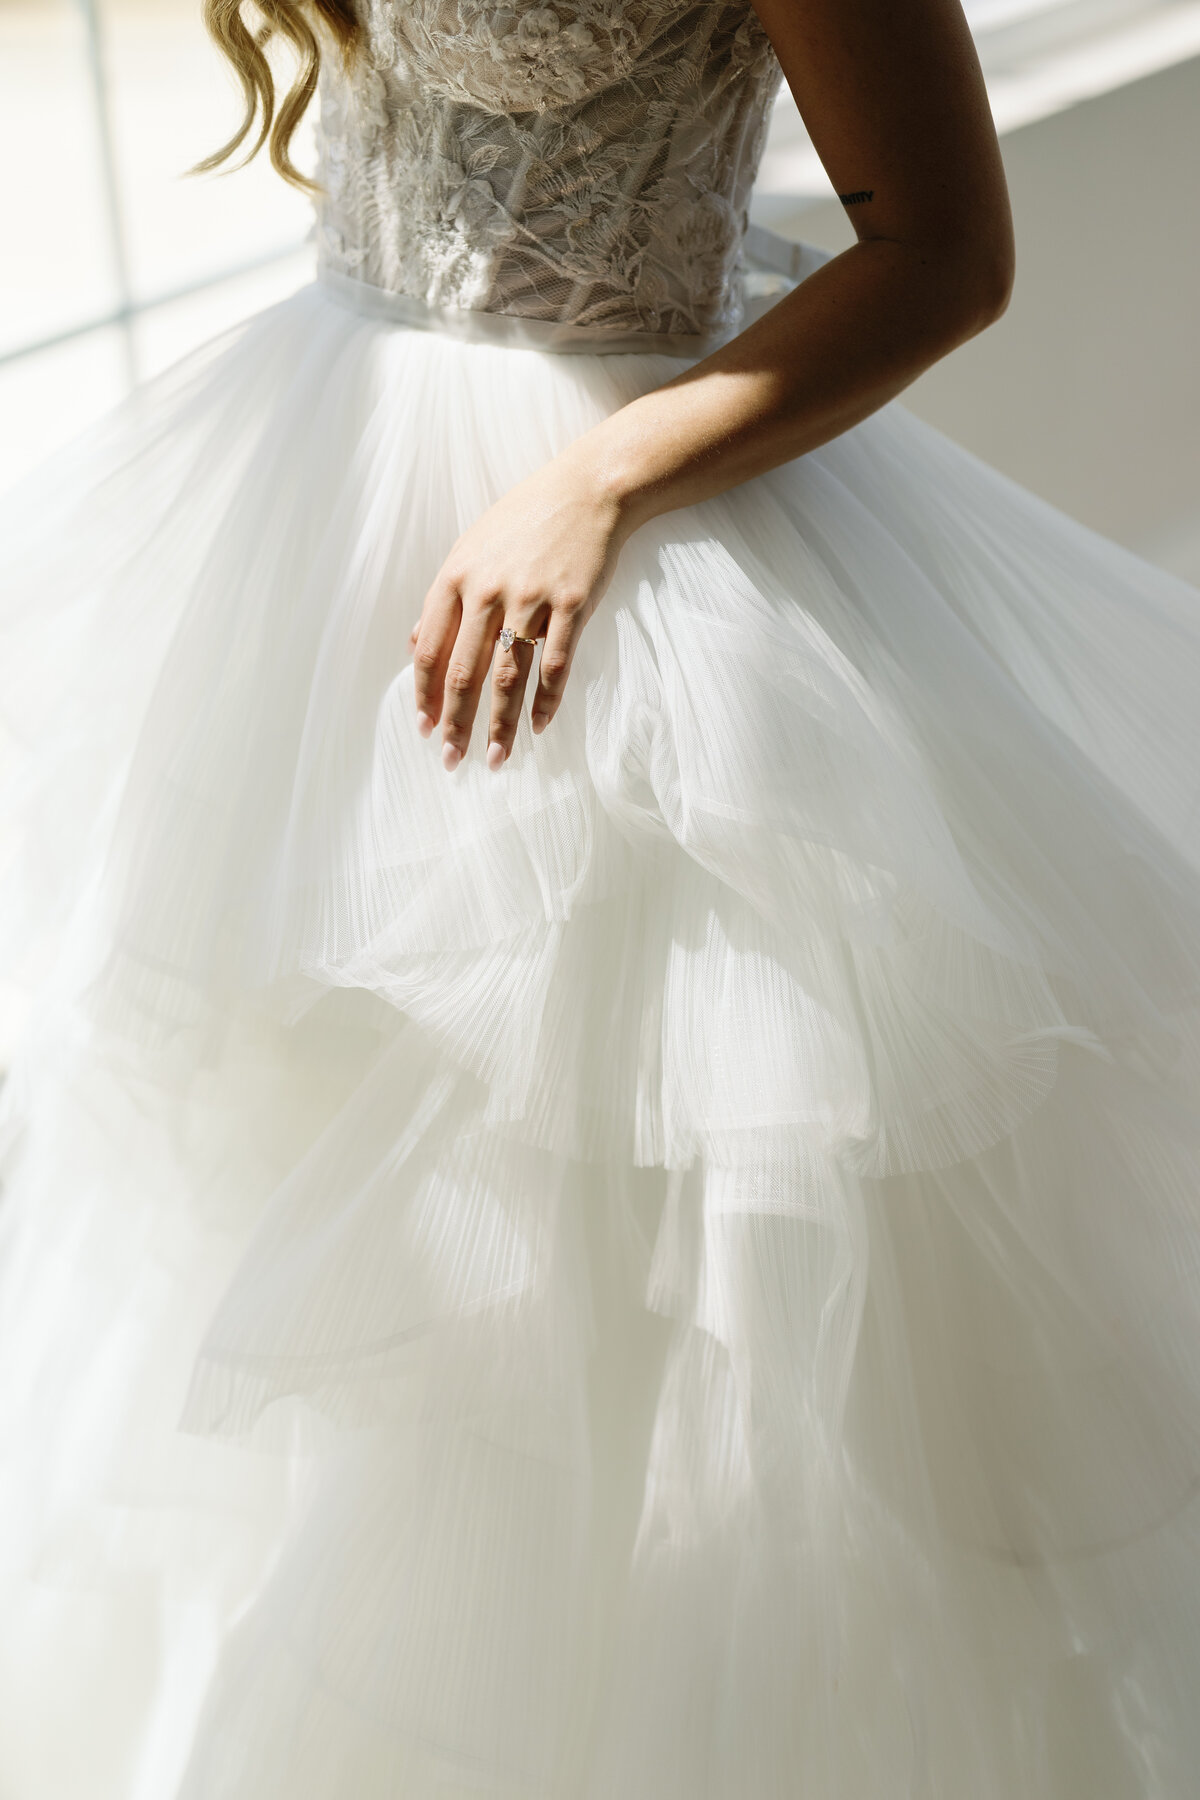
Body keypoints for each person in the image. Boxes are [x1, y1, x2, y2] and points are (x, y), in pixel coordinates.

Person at [1, 0, 1199, 1791]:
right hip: (320, 513)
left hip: (612, 567)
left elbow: (949, 253)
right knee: (284, 1259)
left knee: (622, 1270)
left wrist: (595, 487)